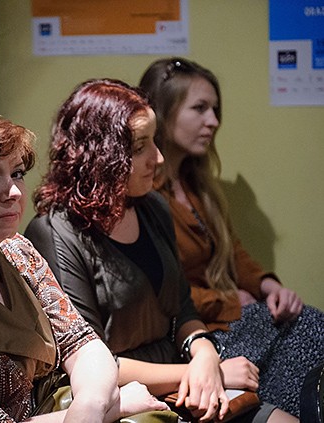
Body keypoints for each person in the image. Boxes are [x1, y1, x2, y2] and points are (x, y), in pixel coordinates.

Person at [25, 79, 297, 422]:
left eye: (155, 140)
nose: (158, 157)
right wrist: (200, 372)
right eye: (141, 146)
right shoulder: (56, 232)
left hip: (182, 380)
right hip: (123, 398)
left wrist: (204, 354)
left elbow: (182, 307)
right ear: (101, 154)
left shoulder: (152, 206)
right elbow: (88, 359)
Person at [0, 110, 169, 423]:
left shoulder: (17, 251)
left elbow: (83, 343)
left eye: (17, 174)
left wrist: (90, 406)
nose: (13, 192)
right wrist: (112, 409)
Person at [138, 57, 324, 417]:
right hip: (194, 335)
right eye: (200, 109)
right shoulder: (146, 196)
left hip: (228, 317)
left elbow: (232, 252)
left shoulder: (198, 186)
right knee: (306, 336)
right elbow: (160, 291)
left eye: (215, 110)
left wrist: (268, 286)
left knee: (310, 324)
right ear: (163, 112)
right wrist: (228, 301)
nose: (213, 121)